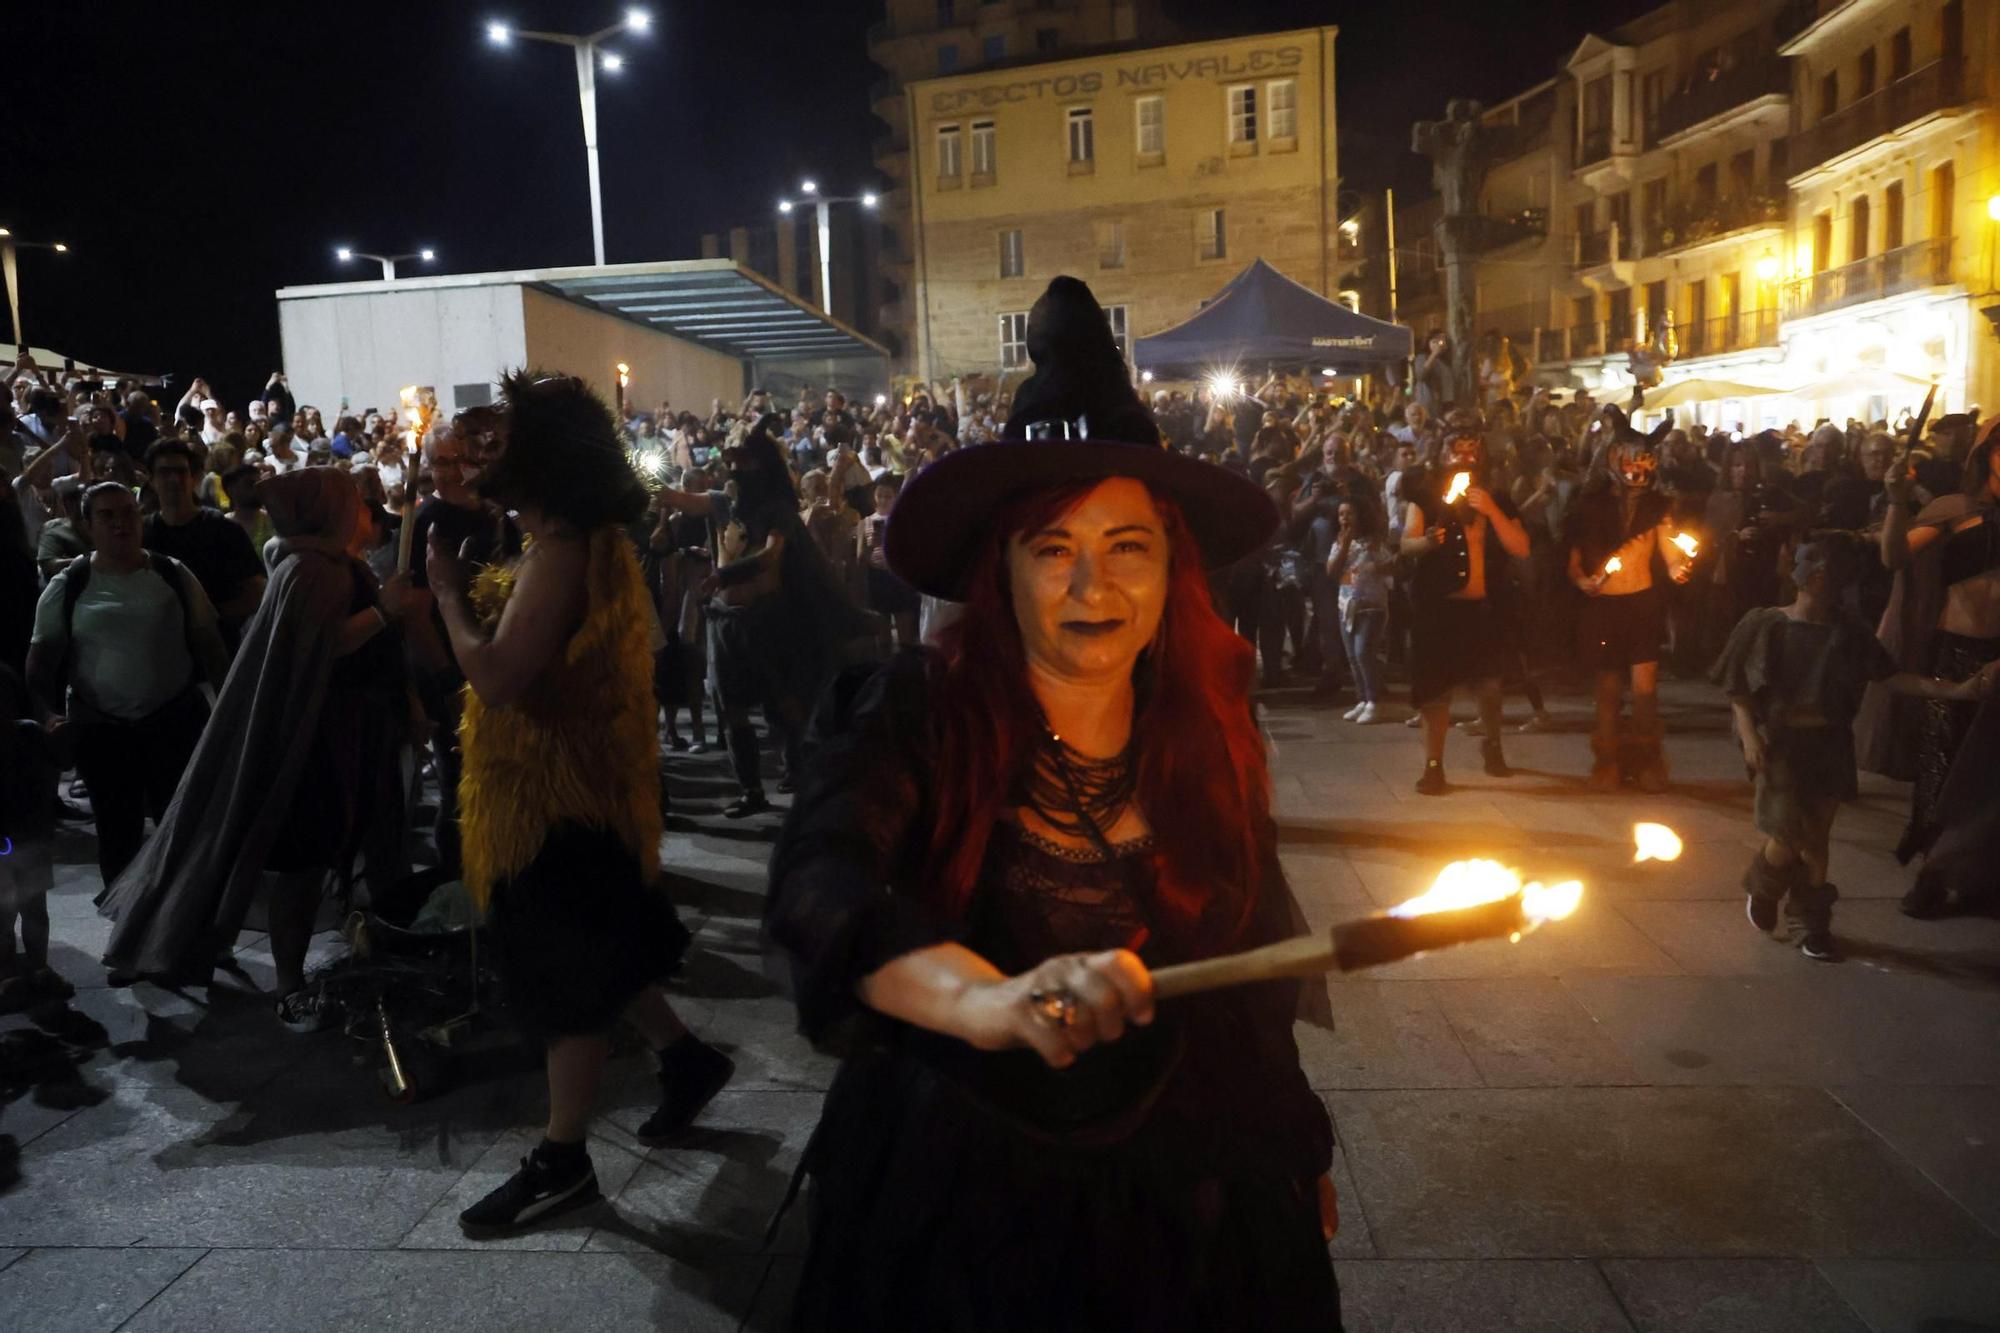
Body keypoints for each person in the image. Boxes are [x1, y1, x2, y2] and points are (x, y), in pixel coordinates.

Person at [764, 276, 1341, 1330]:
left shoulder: (1206, 724)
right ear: (1002, 571)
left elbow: (1256, 955)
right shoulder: (914, 708)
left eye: (1127, 549)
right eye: (1054, 551)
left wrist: (1292, 1154)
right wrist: (986, 1000)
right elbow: (822, 884)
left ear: (1173, 571)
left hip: (1198, 1210)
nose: (1092, 589)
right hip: (970, 1203)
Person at [434, 372, 730, 1238]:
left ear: (548, 457)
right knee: (609, 946)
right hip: (583, 790)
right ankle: (685, 1058)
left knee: (568, 980)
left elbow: (496, 676)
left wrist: (447, 594)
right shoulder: (572, 538)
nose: (487, 450)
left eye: (506, 438)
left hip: (553, 801)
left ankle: (562, 1160)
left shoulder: (564, 553)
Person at [96, 470, 416, 1012]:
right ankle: (289, 982)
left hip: (347, 730)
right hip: (314, 738)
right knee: (303, 862)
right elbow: (324, 647)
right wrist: (386, 609)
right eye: (352, 505)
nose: (364, 514)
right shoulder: (311, 569)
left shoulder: (325, 563)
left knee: (340, 852)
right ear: (327, 510)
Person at [1715, 534, 1999, 961]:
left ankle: (1807, 922)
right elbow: (1739, 688)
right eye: (1815, 567)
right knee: (1797, 836)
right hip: (1782, 746)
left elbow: (1891, 676)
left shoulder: (1848, 633)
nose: (1819, 579)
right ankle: (1775, 891)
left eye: (1830, 571)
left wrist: (1956, 690)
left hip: (1829, 744)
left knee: (1816, 836)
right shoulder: (1766, 624)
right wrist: (1751, 736)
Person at [652, 415, 869, 818]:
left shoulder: (777, 510)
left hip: (768, 622)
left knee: (784, 707)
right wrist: (634, 473)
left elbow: (770, 556)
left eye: (744, 462)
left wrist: (724, 574)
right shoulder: (719, 502)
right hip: (723, 623)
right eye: (731, 461)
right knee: (731, 711)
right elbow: (674, 497)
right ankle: (751, 791)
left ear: (761, 465)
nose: (735, 469)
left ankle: (803, 785)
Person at [26, 484, 228, 888]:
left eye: (129, 513)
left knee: (181, 830)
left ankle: (177, 930)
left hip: (171, 722)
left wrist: (227, 708)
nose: (121, 523)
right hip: (102, 730)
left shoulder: (172, 574)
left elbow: (211, 647)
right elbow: (39, 667)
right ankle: (124, 931)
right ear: (87, 525)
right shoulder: (70, 584)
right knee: (118, 834)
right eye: (107, 515)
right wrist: (47, 715)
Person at [1861, 418, 2000, 916]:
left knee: (1992, 774)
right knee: (1942, 765)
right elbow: (1893, 556)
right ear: (1986, 456)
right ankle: (1933, 874)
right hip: (1957, 650)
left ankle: (1981, 873)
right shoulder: (1952, 509)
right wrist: (1897, 499)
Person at [1565, 413, 1693, 792]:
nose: (1638, 469)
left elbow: (1671, 555)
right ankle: (1607, 762)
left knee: (1644, 689)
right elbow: (1572, 561)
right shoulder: (1590, 507)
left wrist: (1679, 568)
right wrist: (1584, 581)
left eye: (1645, 461)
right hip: (1603, 607)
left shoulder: (1659, 509)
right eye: (1630, 460)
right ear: (1614, 460)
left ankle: (1647, 760)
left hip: (1642, 605)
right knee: (1607, 687)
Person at [1402, 421, 1531, 793]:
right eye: (1456, 450)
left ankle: (1492, 745)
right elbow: (1405, 546)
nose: (1464, 457)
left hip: (1483, 611)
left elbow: (1521, 546)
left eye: (1471, 450)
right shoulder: (1426, 496)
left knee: (1490, 686)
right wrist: (1426, 542)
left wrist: (1491, 510)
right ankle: (1433, 765)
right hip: (1438, 611)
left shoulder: (1496, 498)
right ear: (1442, 454)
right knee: (1436, 694)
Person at [141, 437, 267, 644]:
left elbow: (255, 590)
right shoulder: (143, 532)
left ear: (193, 477)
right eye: (165, 472)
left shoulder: (224, 529)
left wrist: (205, 618)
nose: (174, 479)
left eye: (181, 472)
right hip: (159, 648)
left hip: (219, 645)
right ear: (151, 480)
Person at [1329, 494, 1396, 723]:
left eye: (1349, 513)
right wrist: (1344, 546)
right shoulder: (1339, 542)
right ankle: (1362, 699)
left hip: (1371, 604)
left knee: (1363, 652)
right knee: (1352, 655)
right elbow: (1332, 570)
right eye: (1341, 514)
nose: (1344, 518)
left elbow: (1392, 566)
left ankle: (1375, 700)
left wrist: (1375, 566)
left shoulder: (1374, 542)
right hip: (1346, 604)